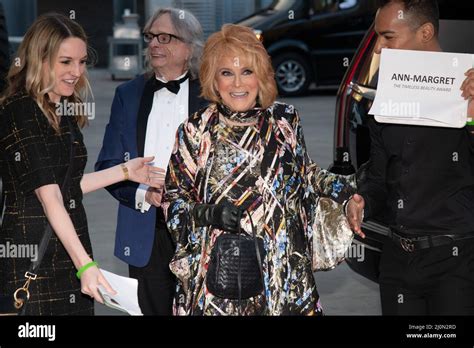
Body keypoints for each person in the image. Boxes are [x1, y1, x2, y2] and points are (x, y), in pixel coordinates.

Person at [163, 24, 360, 316]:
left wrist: (346, 192)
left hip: (284, 274)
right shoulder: (196, 130)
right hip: (223, 277)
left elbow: (306, 174)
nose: (237, 83)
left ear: (261, 76)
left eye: (247, 71)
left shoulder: (284, 120)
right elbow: (172, 200)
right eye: (226, 72)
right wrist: (210, 213)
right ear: (214, 80)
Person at [0, 13, 164, 315]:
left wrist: (126, 171)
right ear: (40, 59)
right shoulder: (21, 109)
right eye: (66, 62)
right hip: (33, 258)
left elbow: (67, 188)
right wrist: (85, 264)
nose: (76, 72)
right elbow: (49, 198)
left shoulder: (59, 107)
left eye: (82, 61)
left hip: (69, 252)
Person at [346, 0, 474, 315]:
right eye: (377, 37)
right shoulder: (384, 101)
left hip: (457, 263)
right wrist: (363, 200)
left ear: (426, 32)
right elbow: (378, 177)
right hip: (397, 261)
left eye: (388, 37)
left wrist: (471, 119)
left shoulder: (467, 94)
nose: (378, 48)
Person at [95, 8, 207, 315]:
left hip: (202, 229)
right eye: (150, 37)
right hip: (146, 229)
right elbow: (107, 165)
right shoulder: (127, 95)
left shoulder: (212, 95)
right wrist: (144, 194)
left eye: (164, 37)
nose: (154, 44)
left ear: (189, 47)